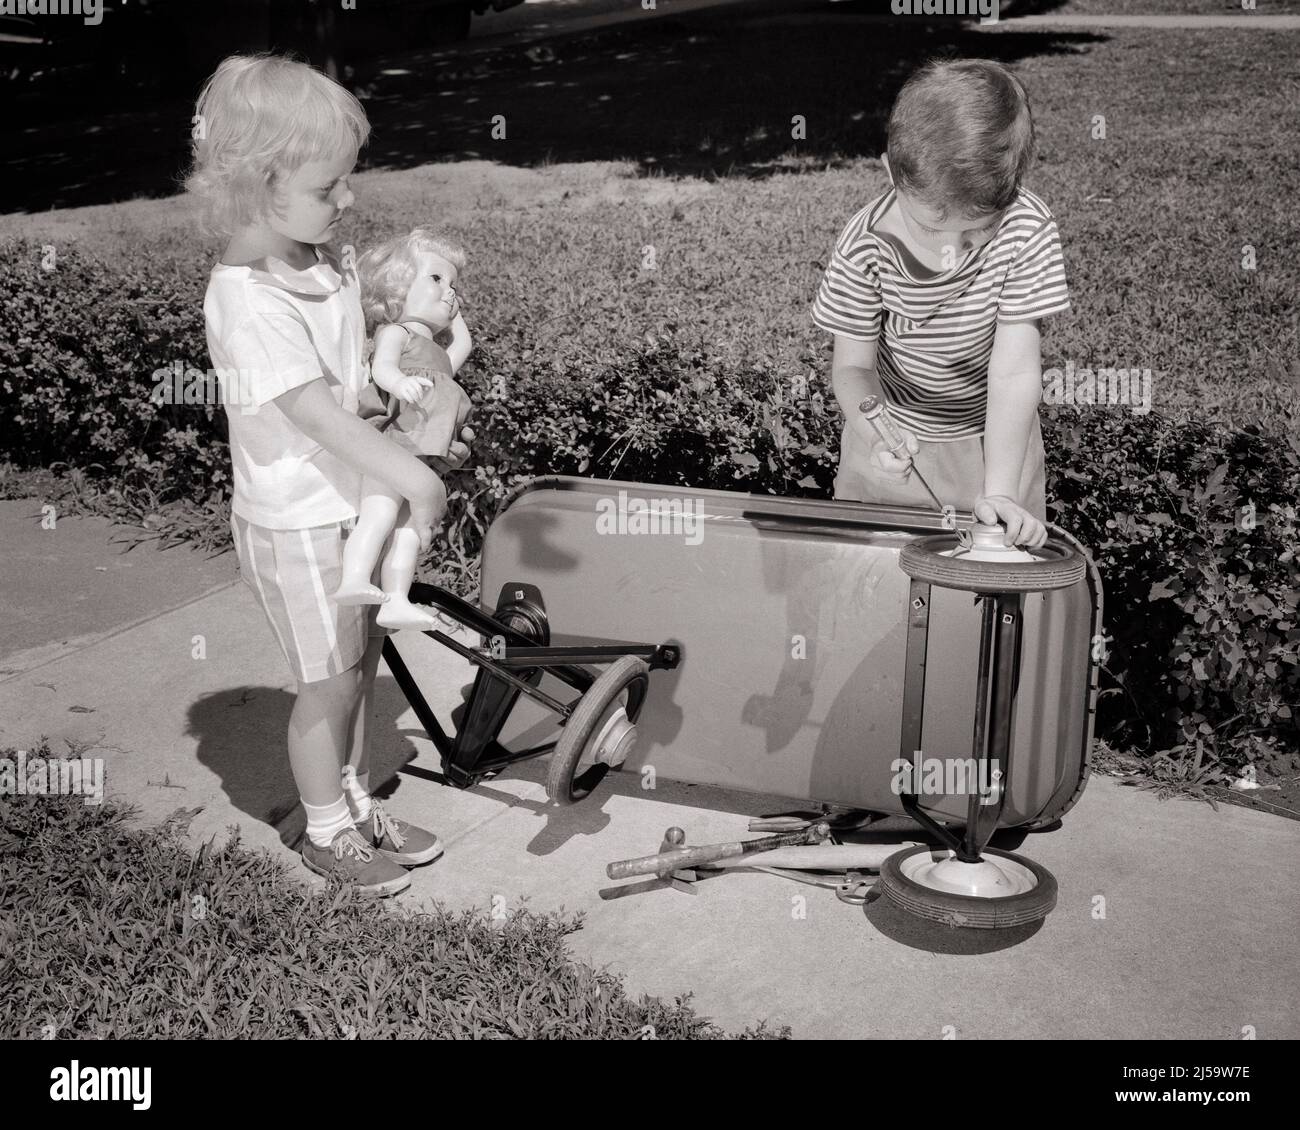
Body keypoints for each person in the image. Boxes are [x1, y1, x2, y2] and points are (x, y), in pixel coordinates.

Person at [188, 55, 471, 896]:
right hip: (295, 518)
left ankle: (352, 800)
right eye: (327, 187)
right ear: (253, 187)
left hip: (346, 502)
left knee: (358, 664)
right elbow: (313, 413)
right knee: (324, 683)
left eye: (347, 181)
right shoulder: (247, 296)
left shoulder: (318, 263)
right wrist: (416, 481)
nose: (347, 201)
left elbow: (352, 385)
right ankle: (324, 830)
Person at [812, 58, 1071, 548]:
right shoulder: (865, 245)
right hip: (891, 445)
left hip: (995, 446)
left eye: (978, 229)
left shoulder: (1027, 229)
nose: (954, 250)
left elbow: (1014, 372)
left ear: (1011, 192)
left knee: (989, 591)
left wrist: (1000, 493)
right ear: (892, 173)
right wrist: (877, 436)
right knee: (872, 581)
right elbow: (852, 369)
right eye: (932, 226)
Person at [336, 229, 475, 631]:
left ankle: (395, 598)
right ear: (398, 287)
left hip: (423, 457)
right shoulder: (398, 332)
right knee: (379, 514)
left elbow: (463, 343)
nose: (448, 290)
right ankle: (354, 579)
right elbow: (382, 367)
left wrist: (449, 299)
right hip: (391, 447)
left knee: (411, 530)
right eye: (435, 278)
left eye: (454, 285)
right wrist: (398, 383)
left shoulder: (440, 356)